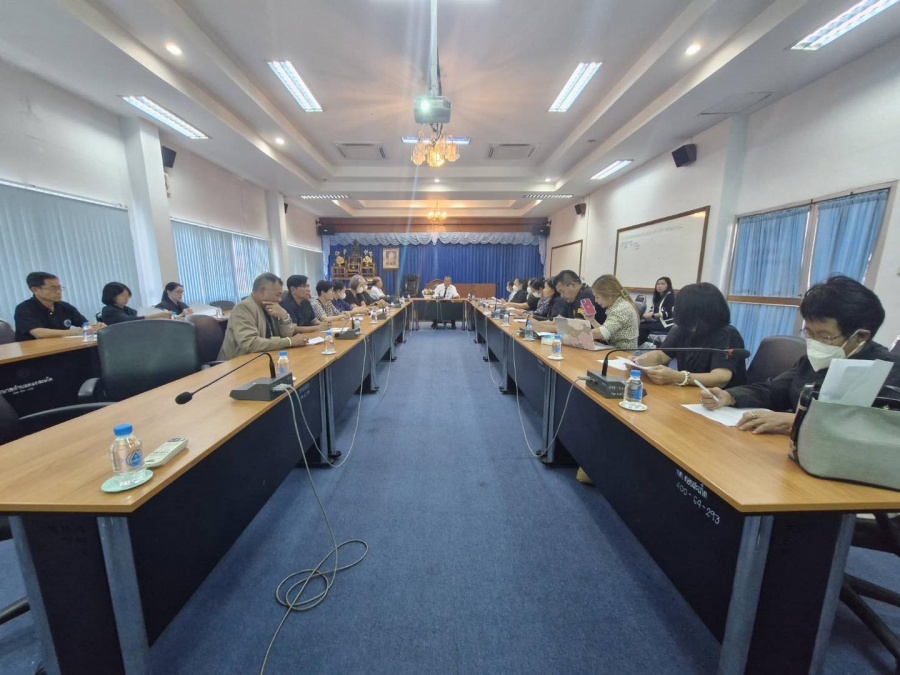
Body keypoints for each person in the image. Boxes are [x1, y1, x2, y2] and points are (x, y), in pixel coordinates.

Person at [701, 275, 900, 435]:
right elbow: (773, 390)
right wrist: (730, 396)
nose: (814, 342)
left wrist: (796, 421)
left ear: (861, 336)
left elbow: (872, 428)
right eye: (809, 332)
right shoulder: (814, 361)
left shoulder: (888, 370)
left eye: (825, 336)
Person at [633, 282, 747, 388]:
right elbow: (662, 355)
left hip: (721, 398)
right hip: (690, 392)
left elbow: (721, 378)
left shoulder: (727, 334)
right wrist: (639, 361)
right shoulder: (682, 328)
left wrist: (679, 377)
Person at [218, 273, 307, 360]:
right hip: (238, 363)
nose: (279, 299)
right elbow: (251, 343)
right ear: (262, 291)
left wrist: (284, 317)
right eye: (278, 295)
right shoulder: (243, 308)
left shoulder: (270, 307)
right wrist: (289, 341)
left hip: (264, 357)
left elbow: (286, 336)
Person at [14, 271, 105, 340]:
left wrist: (98, 326)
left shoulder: (64, 307)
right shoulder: (24, 308)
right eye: (53, 288)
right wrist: (78, 331)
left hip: (62, 348)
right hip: (36, 354)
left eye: (59, 288)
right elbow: (39, 333)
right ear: (35, 290)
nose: (58, 292)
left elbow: (84, 324)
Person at [532, 270, 605, 333]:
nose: (561, 296)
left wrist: (544, 328)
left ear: (572, 285)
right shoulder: (570, 298)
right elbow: (558, 320)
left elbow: (577, 328)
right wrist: (538, 323)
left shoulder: (586, 297)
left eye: (562, 291)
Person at [586, 275, 639, 349]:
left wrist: (579, 334)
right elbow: (606, 330)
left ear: (609, 295)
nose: (596, 301)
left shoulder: (622, 308)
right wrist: (592, 320)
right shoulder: (616, 305)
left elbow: (603, 333)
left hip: (623, 353)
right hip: (615, 349)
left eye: (597, 297)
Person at [99, 282, 170, 325]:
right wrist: (156, 316)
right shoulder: (108, 310)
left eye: (128, 296)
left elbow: (138, 315)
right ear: (112, 296)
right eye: (122, 295)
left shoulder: (126, 309)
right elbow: (129, 321)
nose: (126, 298)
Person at [638, 276, 674, 344]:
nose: (659, 286)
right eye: (658, 284)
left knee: (642, 327)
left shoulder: (670, 296)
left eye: (663, 284)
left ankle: (640, 346)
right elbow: (653, 309)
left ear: (668, 286)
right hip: (658, 321)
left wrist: (653, 316)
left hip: (666, 324)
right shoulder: (658, 297)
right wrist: (647, 316)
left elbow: (668, 313)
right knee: (640, 323)